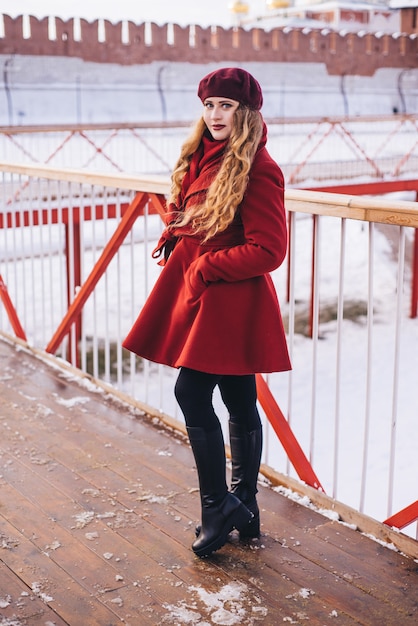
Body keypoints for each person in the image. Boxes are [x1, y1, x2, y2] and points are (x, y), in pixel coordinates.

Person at [123, 67, 291, 558]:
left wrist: (204, 268)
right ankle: (247, 507)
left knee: (190, 390)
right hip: (207, 293)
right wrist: (178, 235)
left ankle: (217, 506)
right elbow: (199, 218)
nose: (216, 115)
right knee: (239, 395)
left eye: (228, 106)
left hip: (228, 296)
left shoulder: (259, 167)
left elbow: (269, 249)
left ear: (247, 113)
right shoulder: (201, 157)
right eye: (210, 105)